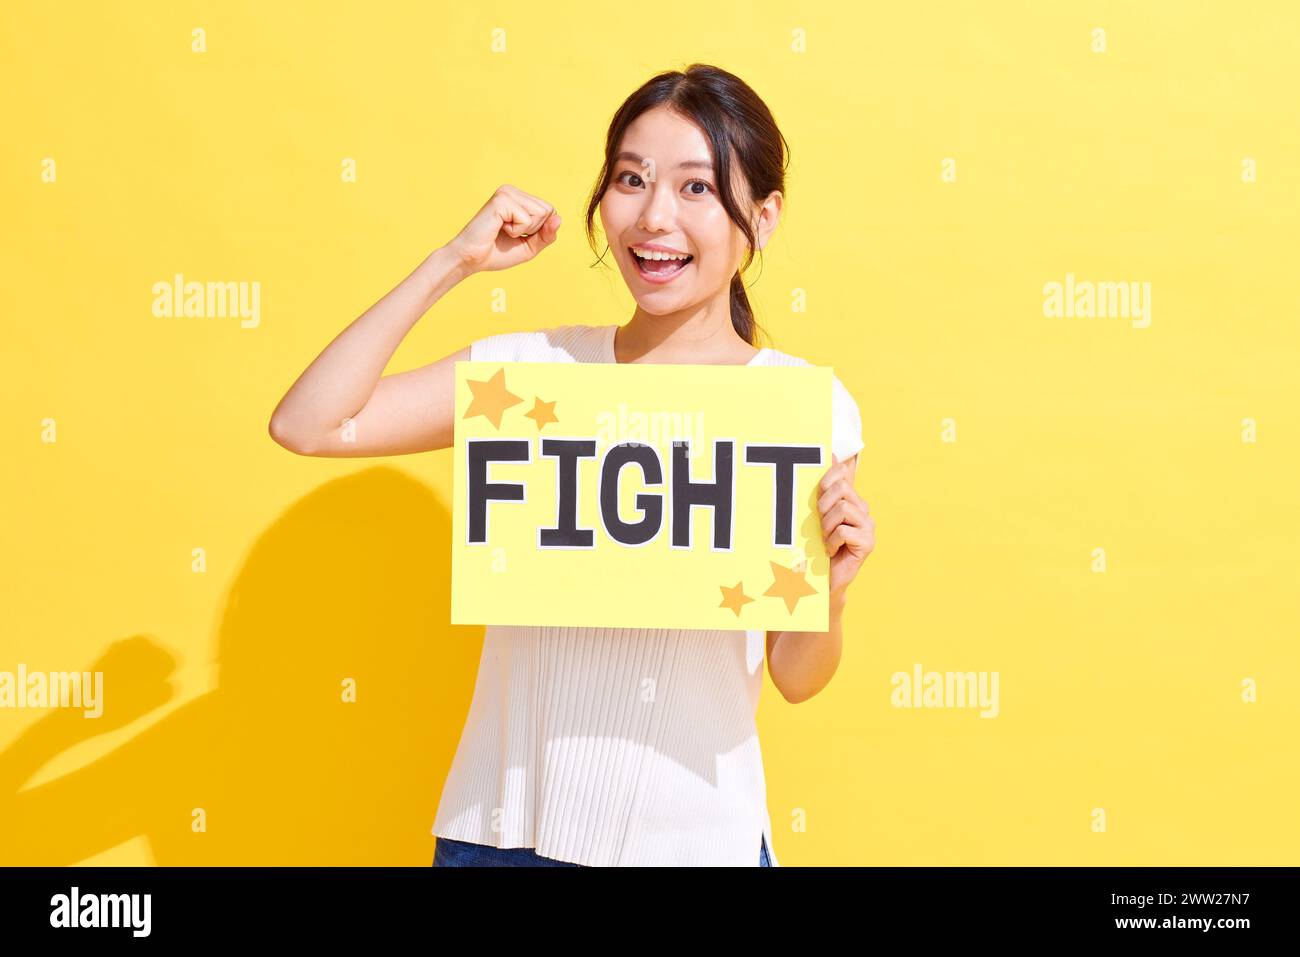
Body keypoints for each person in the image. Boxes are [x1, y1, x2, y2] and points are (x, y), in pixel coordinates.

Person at [268, 63, 875, 867]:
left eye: (697, 188)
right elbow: (307, 423)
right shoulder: (528, 376)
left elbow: (797, 677)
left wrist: (832, 588)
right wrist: (453, 261)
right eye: (632, 178)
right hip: (503, 835)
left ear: (762, 219)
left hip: (700, 845)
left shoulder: (805, 407)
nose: (654, 217)